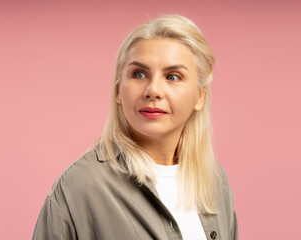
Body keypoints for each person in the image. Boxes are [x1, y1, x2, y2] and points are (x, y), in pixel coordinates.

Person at [32, 14, 238, 240]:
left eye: (172, 76)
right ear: (119, 90)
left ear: (199, 97)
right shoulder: (80, 187)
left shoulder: (215, 181)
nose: (153, 90)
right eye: (139, 74)